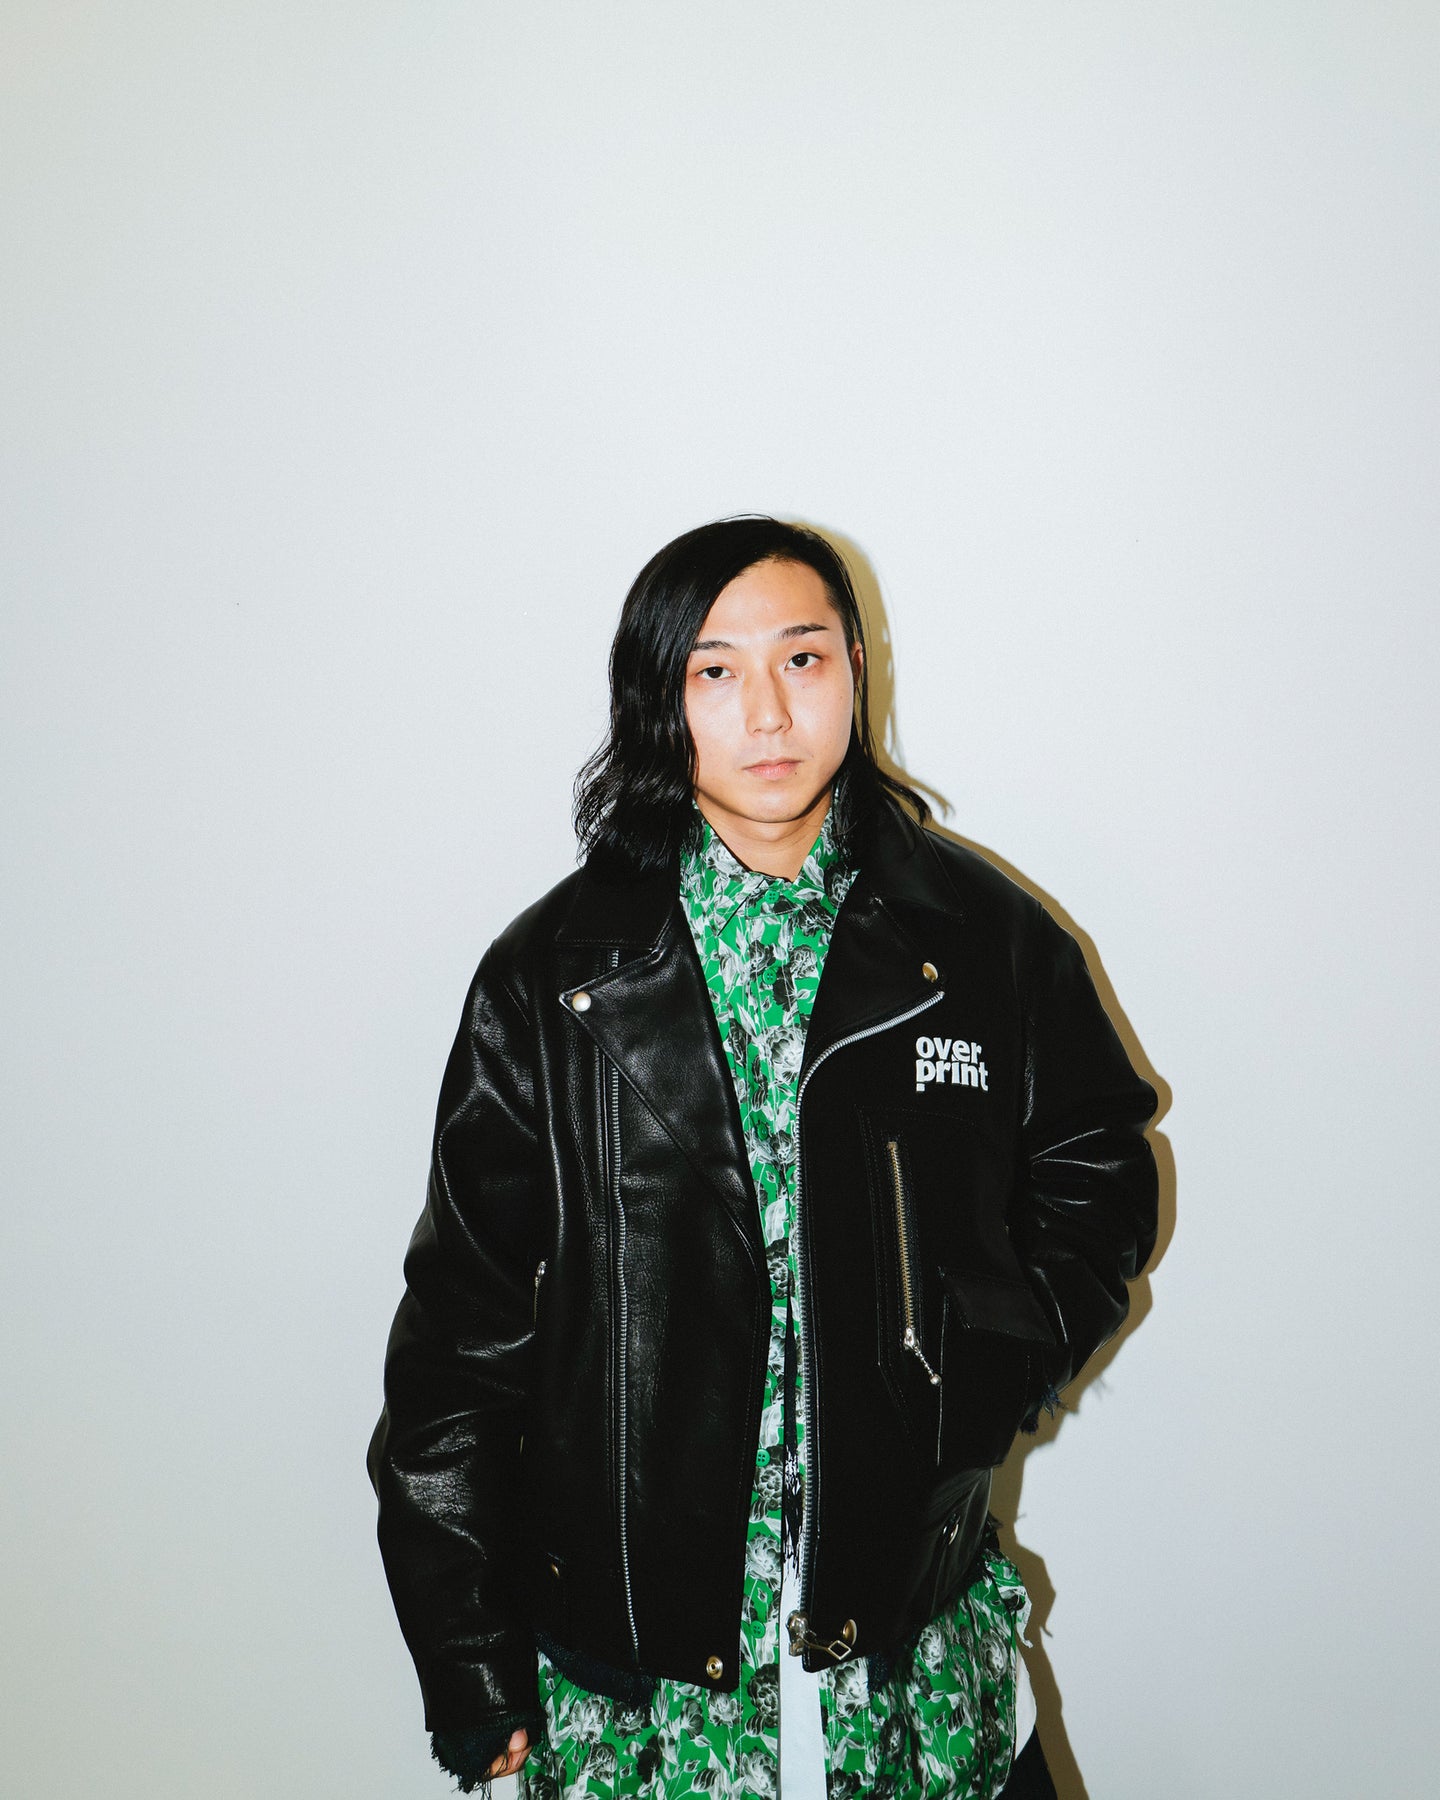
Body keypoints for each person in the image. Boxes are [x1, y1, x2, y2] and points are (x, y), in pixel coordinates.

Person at [367, 517, 1159, 1799]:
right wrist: (465, 1652)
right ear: (658, 698)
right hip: (641, 1698)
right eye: (716, 671)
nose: (769, 713)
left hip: (913, 1658)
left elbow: (1098, 1160)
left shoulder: (983, 939)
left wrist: (982, 1371)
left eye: (802, 659)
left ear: (857, 667)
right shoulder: (553, 979)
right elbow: (460, 1335)